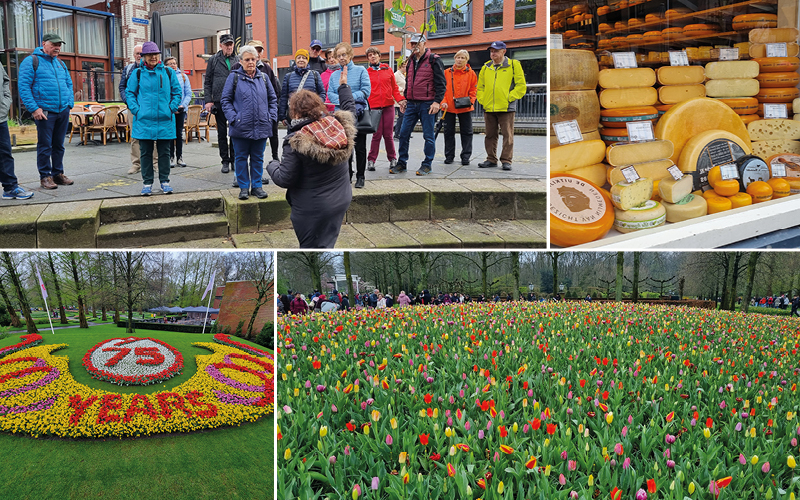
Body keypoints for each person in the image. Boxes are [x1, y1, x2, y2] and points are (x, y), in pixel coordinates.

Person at [266, 67, 356, 248]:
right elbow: (350, 109)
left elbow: (285, 178)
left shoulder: (297, 141)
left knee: (311, 249)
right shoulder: (337, 125)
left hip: (314, 208)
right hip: (340, 200)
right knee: (327, 243)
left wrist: (272, 164)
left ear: (296, 113)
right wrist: (344, 86)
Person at [18, 33, 74, 190]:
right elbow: (23, 86)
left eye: (59, 45)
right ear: (44, 44)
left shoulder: (60, 64)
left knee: (59, 145)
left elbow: (69, 84)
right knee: (45, 145)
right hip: (45, 112)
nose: (57, 47)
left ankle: (58, 174)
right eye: (54, 44)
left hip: (62, 110)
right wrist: (34, 108)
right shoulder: (31, 61)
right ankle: (45, 176)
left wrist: (69, 104)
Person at [221, 45, 277, 200]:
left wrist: (270, 116)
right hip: (240, 126)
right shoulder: (234, 77)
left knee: (258, 158)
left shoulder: (263, 78)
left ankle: (257, 186)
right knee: (240, 158)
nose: (250, 62)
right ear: (241, 61)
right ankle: (244, 187)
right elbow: (225, 100)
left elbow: (273, 99)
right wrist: (234, 118)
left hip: (261, 125)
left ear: (257, 59)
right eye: (247, 59)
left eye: (253, 59)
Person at [126, 42, 182, 196]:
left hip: (165, 118)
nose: (153, 57)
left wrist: (171, 107)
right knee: (145, 153)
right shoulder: (137, 74)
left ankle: (165, 181)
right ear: (143, 57)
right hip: (144, 120)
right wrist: (137, 110)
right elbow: (129, 93)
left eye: (156, 54)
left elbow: (177, 92)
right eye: (150, 54)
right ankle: (147, 183)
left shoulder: (168, 72)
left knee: (165, 152)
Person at [393, 34, 445, 176]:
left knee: (428, 136)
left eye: (417, 43)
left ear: (424, 43)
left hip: (427, 104)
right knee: (403, 134)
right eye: (412, 44)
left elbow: (441, 84)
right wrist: (405, 99)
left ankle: (427, 164)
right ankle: (402, 163)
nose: (414, 46)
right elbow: (409, 83)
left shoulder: (434, 60)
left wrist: (437, 102)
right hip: (411, 104)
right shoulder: (410, 61)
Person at [476, 41, 527, 171]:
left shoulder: (514, 65)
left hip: (506, 107)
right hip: (489, 106)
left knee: (507, 135)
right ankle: (491, 159)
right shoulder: (486, 67)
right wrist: (482, 99)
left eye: (496, 51)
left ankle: (506, 160)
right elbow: (480, 87)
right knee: (489, 135)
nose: (493, 53)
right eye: (491, 51)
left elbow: (521, 86)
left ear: (503, 51)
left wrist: (509, 98)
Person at [327, 42, 371, 188]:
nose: (341, 58)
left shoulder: (361, 70)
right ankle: (347, 175)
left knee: (360, 146)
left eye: (344, 54)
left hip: (357, 113)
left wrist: (348, 96)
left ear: (350, 55)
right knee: (345, 148)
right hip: (341, 116)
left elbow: (366, 91)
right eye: (338, 56)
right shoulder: (334, 75)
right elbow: (330, 94)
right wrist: (344, 98)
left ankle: (361, 176)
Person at [232, 40, 282, 163]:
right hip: (243, 118)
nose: (257, 54)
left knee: (259, 153)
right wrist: (233, 117)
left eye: (259, 51)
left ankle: (274, 159)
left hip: (263, 117)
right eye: (255, 50)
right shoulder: (236, 69)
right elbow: (228, 95)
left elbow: (274, 93)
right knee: (241, 151)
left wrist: (271, 115)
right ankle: (237, 173)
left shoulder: (266, 69)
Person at [366, 47, 405, 171]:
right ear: (368, 58)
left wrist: (400, 100)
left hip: (388, 106)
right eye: (370, 55)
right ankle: (371, 160)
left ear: (379, 56)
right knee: (376, 135)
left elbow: (394, 88)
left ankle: (392, 158)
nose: (373, 56)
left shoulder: (388, 70)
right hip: (374, 107)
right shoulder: (366, 73)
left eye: (375, 54)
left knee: (388, 135)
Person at [204, 34, 239, 173]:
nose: (229, 47)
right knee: (222, 133)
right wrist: (208, 100)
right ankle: (225, 160)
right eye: (227, 44)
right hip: (218, 101)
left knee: (235, 132)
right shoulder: (213, 60)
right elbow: (207, 82)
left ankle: (234, 159)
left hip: (235, 101)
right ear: (221, 45)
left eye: (231, 44)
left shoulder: (237, 59)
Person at [0, 61, 32, 200]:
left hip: (0, 117)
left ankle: (10, 188)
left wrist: (5, 103)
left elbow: (5, 81)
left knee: (5, 153)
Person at [440, 49, 477, 165]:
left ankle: (465, 156)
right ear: (454, 58)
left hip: (465, 106)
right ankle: (449, 156)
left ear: (466, 60)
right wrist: (443, 101)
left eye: (462, 58)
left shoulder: (471, 74)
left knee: (467, 132)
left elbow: (474, 89)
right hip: (448, 107)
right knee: (448, 132)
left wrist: (471, 101)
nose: (459, 60)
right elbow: (441, 89)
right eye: (458, 57)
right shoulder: (446, 72)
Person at [120, 44, 152, 175]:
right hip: (133, 109)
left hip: (149, 108)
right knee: (135, 136)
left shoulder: (152, 69)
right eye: (137, 53)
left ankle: (154, 163)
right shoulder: (128, 69)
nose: (139, 56)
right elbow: (122, 87)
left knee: (153, 135)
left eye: (141, 53)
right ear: (133, 55)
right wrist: (129, 102)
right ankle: (136, 164)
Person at [278, 49, 326, 126]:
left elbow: (322, 93)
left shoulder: (315, 75)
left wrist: (316, 105)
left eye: (304, 58)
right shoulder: (288, 76)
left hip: (311, 115)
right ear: (295, 60)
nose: (301, 60)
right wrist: (282, 116)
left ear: (307, 60)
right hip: (294, 116)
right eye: (299, 57)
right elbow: (284, 97)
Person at [164, 57, 191, 168]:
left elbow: (188, 93)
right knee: (170, 134)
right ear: (166, 65)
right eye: (170, 64)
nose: (173, 65)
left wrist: (182, 105)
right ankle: (170, 158)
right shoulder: (164, 76)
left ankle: (179, 157)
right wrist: (171, 107)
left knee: (179, 134)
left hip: (181, 109)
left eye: (174, 63)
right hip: (169, 110)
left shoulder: (184, 77)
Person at [320, 48, 339, 112]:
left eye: (333, 57)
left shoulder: (344, 72)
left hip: (341, 107)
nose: (331, 60)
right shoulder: (323, 75)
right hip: (327, 108)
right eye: (329, 58)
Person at [393, 59, 408, 140]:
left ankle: (402, 132)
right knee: (401, 116)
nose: (406, 68)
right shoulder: (396, 74)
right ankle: (397, 134)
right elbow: (393, 85)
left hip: (404, 98)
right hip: (398, 99)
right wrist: (401, 89)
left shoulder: (404, 75)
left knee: (404, 116)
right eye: (404, 67)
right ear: (400, 67)